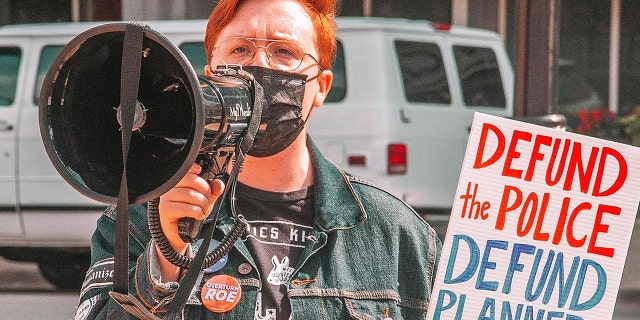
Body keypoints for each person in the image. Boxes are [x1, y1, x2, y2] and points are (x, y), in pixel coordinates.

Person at [74, 0, 441, 319]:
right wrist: (165, 261)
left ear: (321, 87)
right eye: (239, 50)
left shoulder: (396, 235)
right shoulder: (138, 223)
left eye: (285, 52)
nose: (259, 66)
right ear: (210, 73)